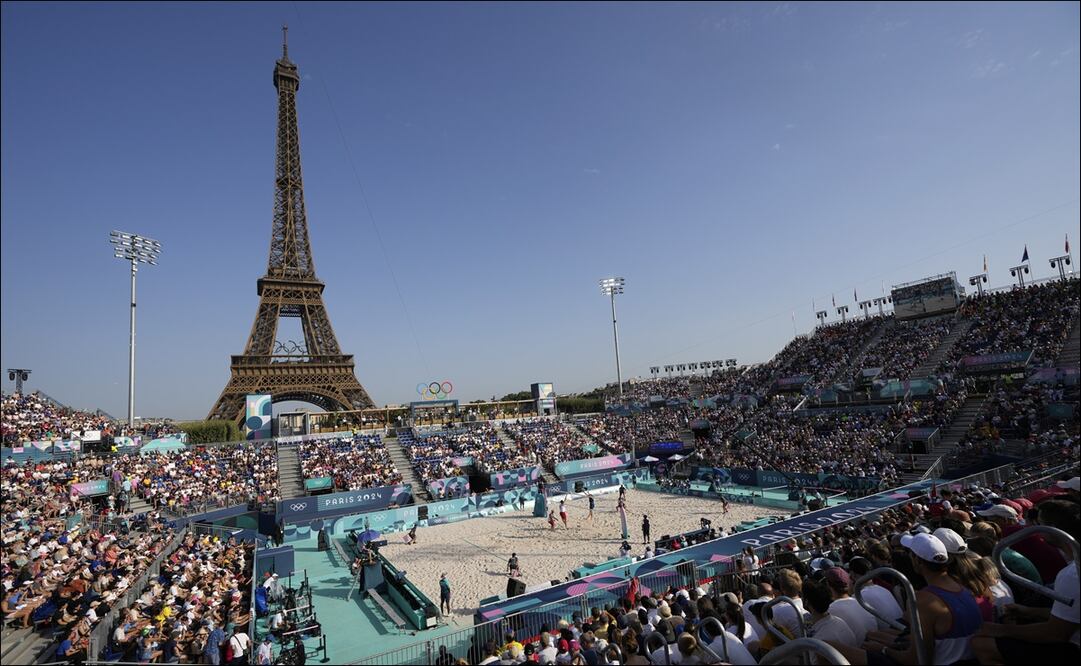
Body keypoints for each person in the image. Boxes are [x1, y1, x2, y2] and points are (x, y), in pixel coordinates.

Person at [971, 499, 1081, 664]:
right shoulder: (1071, 570)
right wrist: (1030, 612)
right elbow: (1072, 614)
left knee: (981, 644)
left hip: (1074, 647)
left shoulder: (1072, 574)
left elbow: (1056, 633)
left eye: (1039, 523)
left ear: (1050, 529)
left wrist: (1001, 630)